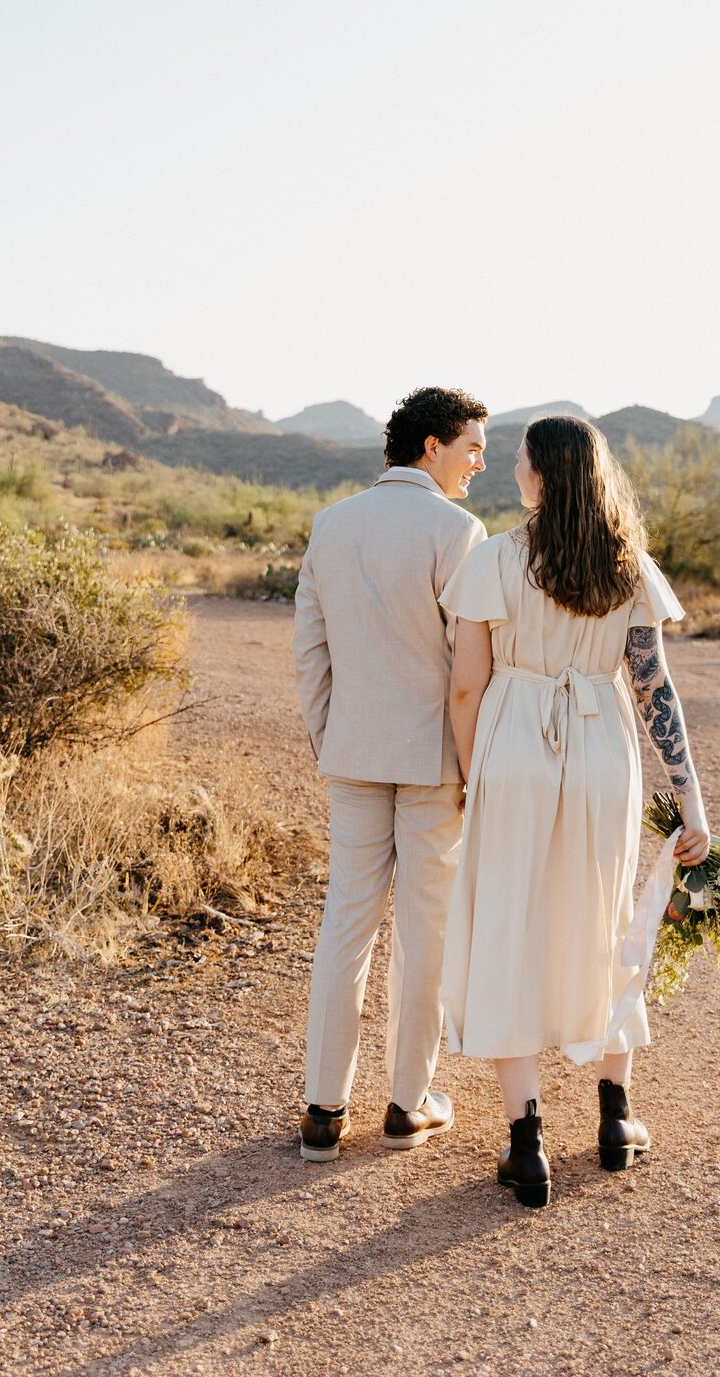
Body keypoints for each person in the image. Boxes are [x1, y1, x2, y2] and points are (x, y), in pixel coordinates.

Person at [439, 415, 709, 1207]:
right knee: (604, 920)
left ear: (544, 476)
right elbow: (657, 689)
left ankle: (526, 1143)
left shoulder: (495, 558)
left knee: (510, 924)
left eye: (520, 462)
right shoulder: (629, 567)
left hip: (514, 748)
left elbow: (465, 684)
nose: (513, 473)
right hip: (604, 754)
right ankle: (615, 1118)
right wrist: (692, 800)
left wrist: (467, 774)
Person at [293, 385, 488, 1161]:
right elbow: (468, 664)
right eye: (472, 445)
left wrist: (328, 738)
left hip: (354, 753)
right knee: (425, 929)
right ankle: (409, 1105)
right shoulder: (458, 531)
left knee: (346, 923)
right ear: (432, 445)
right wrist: (472, 765)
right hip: (434, 759)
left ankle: (322, 1110)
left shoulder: (331, 524)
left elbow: (311, 648)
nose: (479, 462)